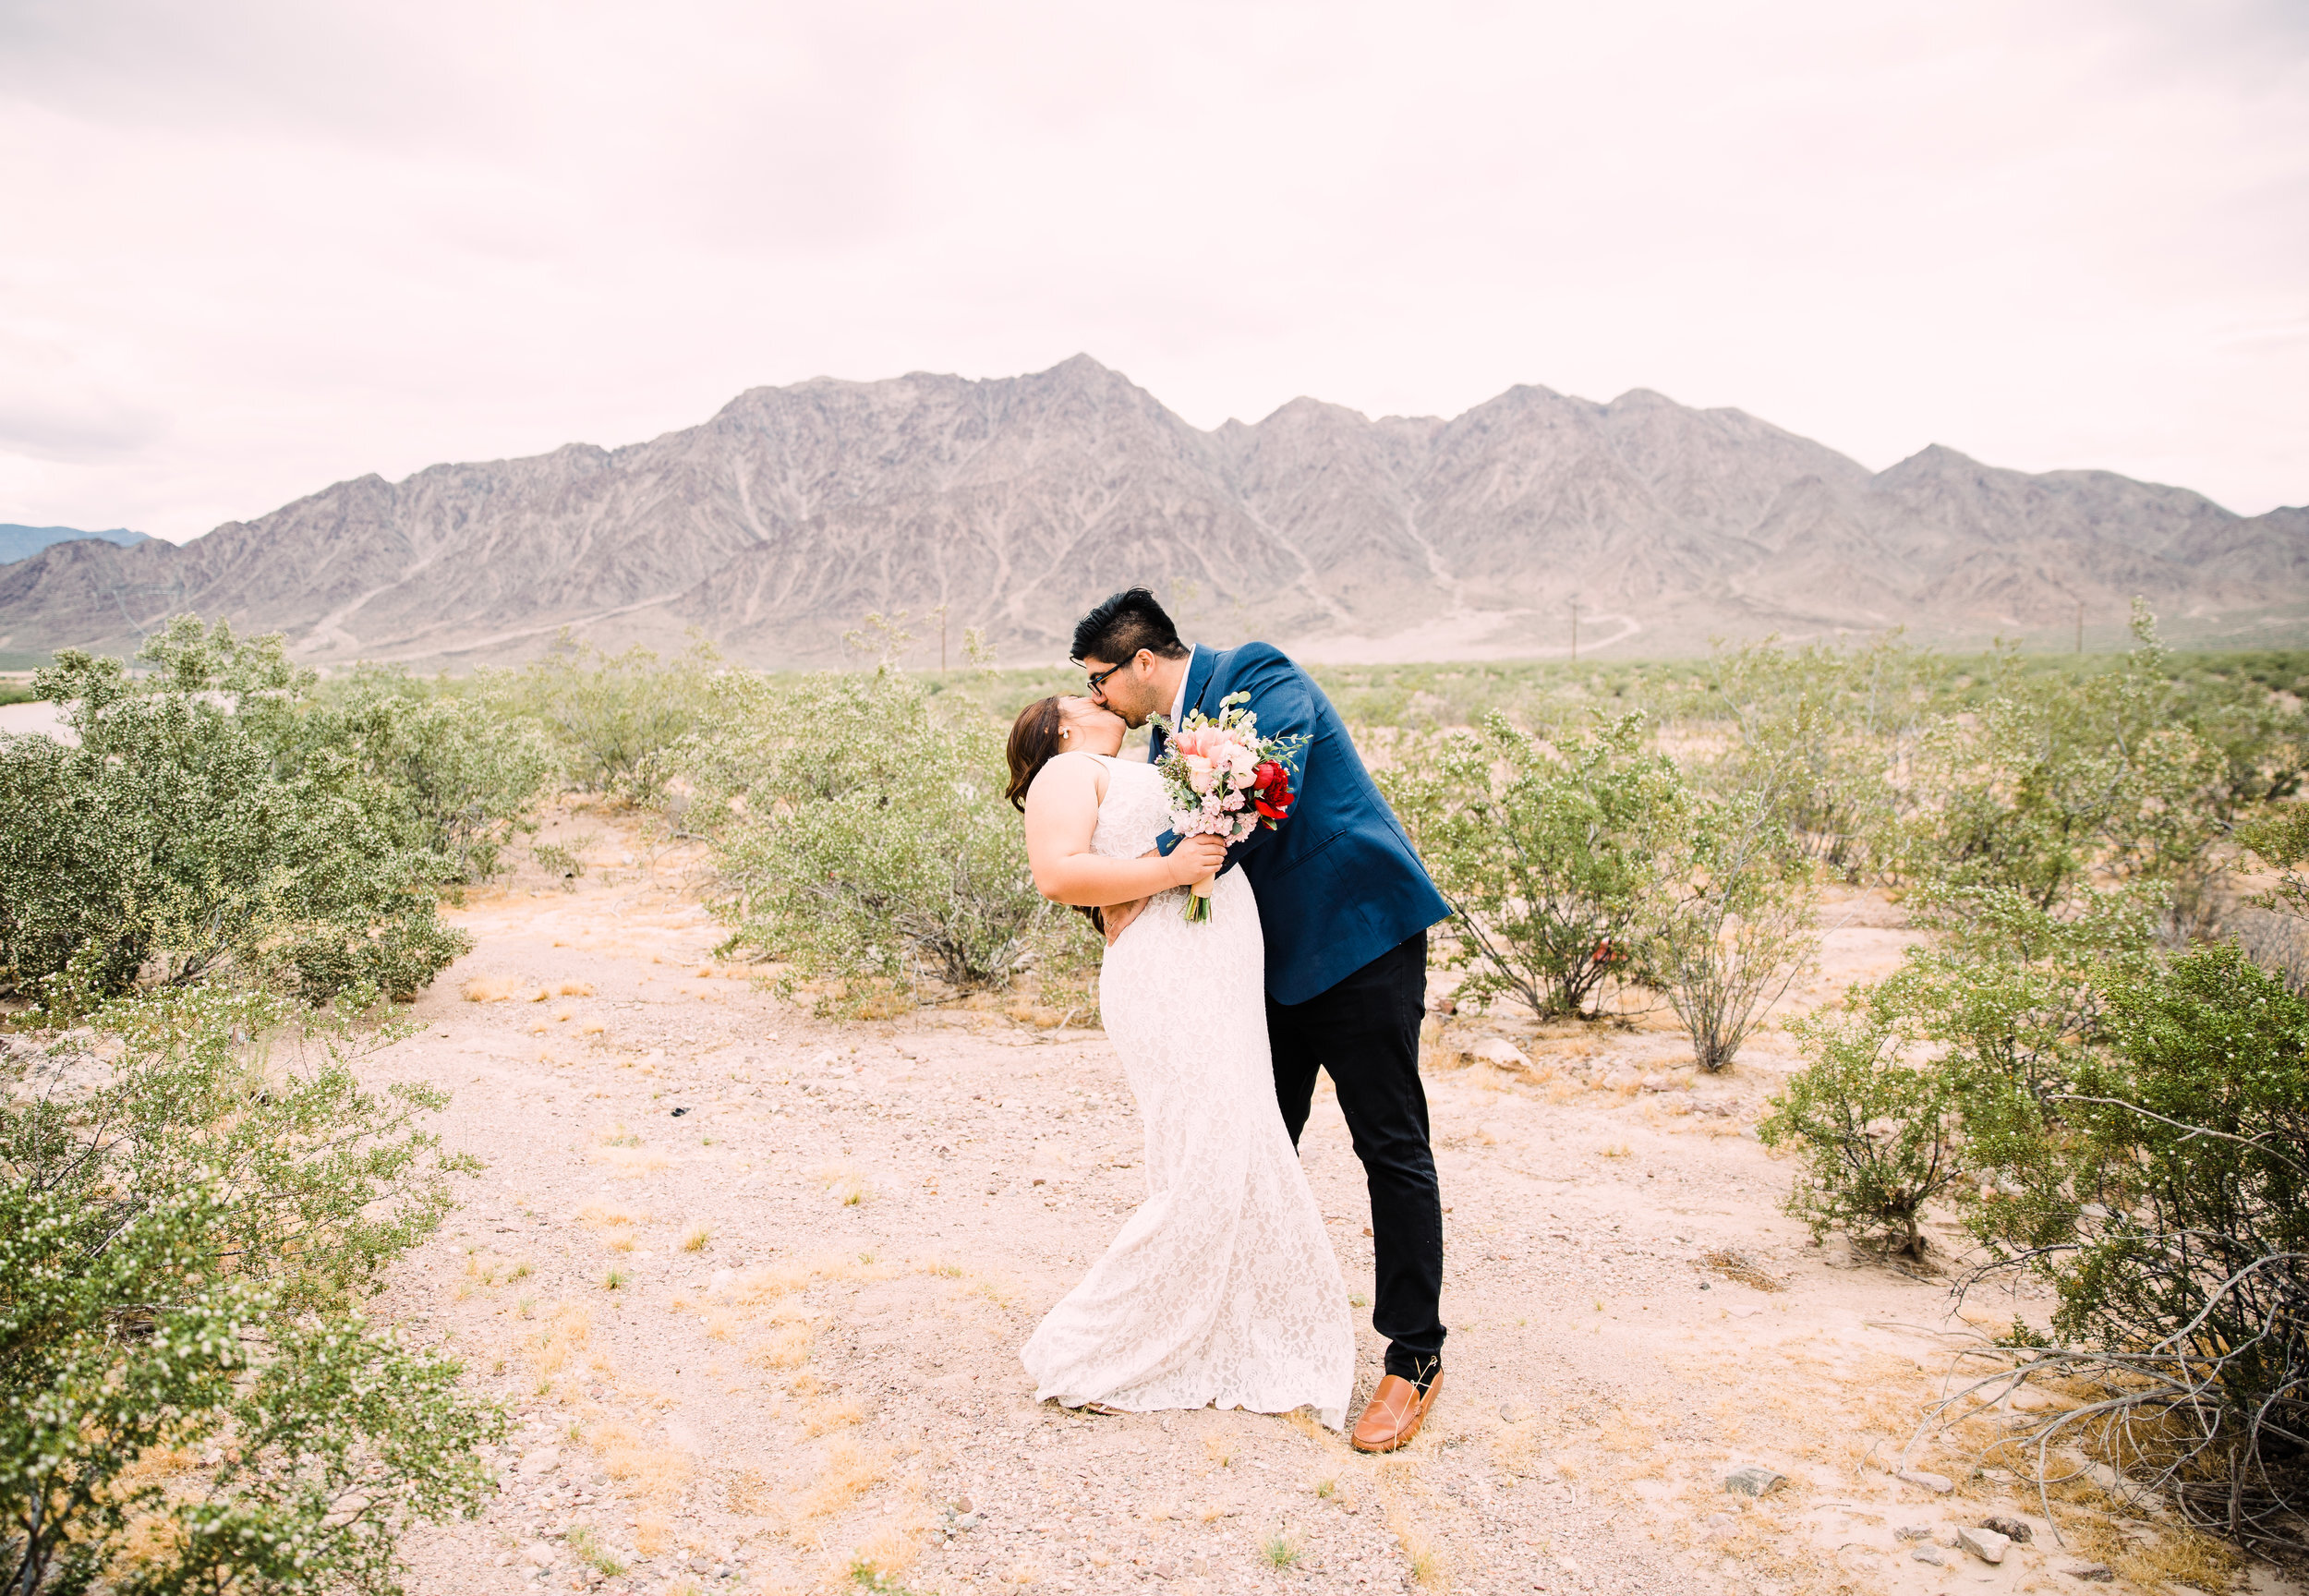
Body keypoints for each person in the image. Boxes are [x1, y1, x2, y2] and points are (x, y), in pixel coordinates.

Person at [1070, 587, 1453, 1454]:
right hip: (1257, 972)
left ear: (1140, 663)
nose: (1098, 701)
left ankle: (1414, 1356)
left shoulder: (1258, 673)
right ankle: (1221, 1328)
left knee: (1389, 1145)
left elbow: (1251, 799)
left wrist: (1139, 877)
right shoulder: (1166, 742)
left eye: (1100, 680)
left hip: (1358, 947)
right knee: (1249, 1142)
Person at [1006, 692, 1356, 1429]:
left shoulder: (1145, 762)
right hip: (1166, 976)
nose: (1098, 695)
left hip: (1216, 967)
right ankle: (1094, 1348)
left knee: (1241, 1145)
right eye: (1082, 694)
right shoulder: (1067, 773)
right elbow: (1059, 876)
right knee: (1204, 1153)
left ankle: (1229, 1334)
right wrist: (1174, 867)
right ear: (1060, 725)